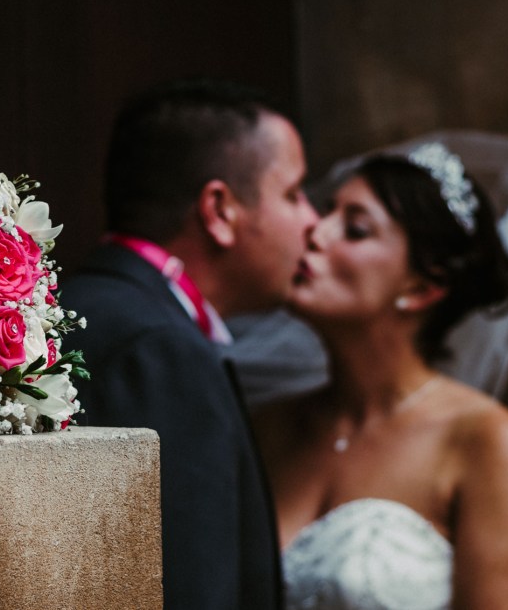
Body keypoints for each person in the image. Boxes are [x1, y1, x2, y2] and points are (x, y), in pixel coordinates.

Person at [254, 144, 508, 609]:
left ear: (420, 287)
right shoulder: (268, 428)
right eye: (325, 210)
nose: (314, 231)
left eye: (355, 229)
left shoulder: (492, 444)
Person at [59, 78, 319, 609]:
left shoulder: (80, 304)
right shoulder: (158, 347)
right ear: (220, 210)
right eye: (293, 194)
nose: (313, 221)